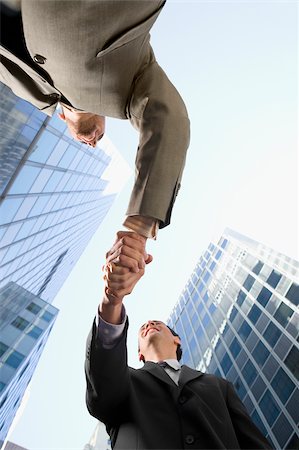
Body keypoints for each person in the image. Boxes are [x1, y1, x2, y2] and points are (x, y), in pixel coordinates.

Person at [0, 0, 190, 247]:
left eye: (86, 142)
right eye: (101, 137)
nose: (93, 143)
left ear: (63, 119)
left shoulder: (30, 92)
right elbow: (168, 118)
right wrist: (139, 232)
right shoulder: (128, 81)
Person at [85, 232, 273, 449]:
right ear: (139, 355)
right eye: (143, 329)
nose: (149, 324)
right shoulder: (125, 383)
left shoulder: (219, 386)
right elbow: (102, 379)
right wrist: (112, 299)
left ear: (177, 340)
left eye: (157, 323)